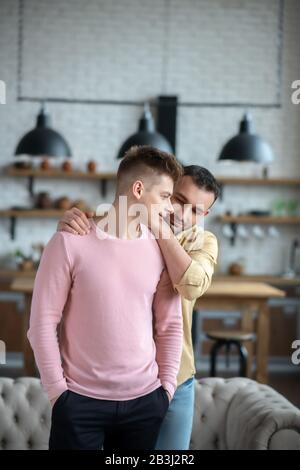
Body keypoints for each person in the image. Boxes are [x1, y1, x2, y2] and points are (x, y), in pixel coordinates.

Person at [28, 146, 183, 450]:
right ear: (138, 189)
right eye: (165, 196)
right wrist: (58, 394)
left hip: (146, 402)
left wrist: (166, 388)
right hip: (79, 403)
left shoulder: (161, 249)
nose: (169, 208)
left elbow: (170, 325)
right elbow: (42, 324)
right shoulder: (68, 242)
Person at [58, 159, 220, 450]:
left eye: (195, 210)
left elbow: (192, 284)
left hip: (176, 378)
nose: (181, 213)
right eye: (177, 199)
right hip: (114, 385)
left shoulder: (203, 242)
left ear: (205, 214)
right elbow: (83, 235)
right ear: (165, 192)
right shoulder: (122, 225)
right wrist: (69, 223)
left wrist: (159, 228)